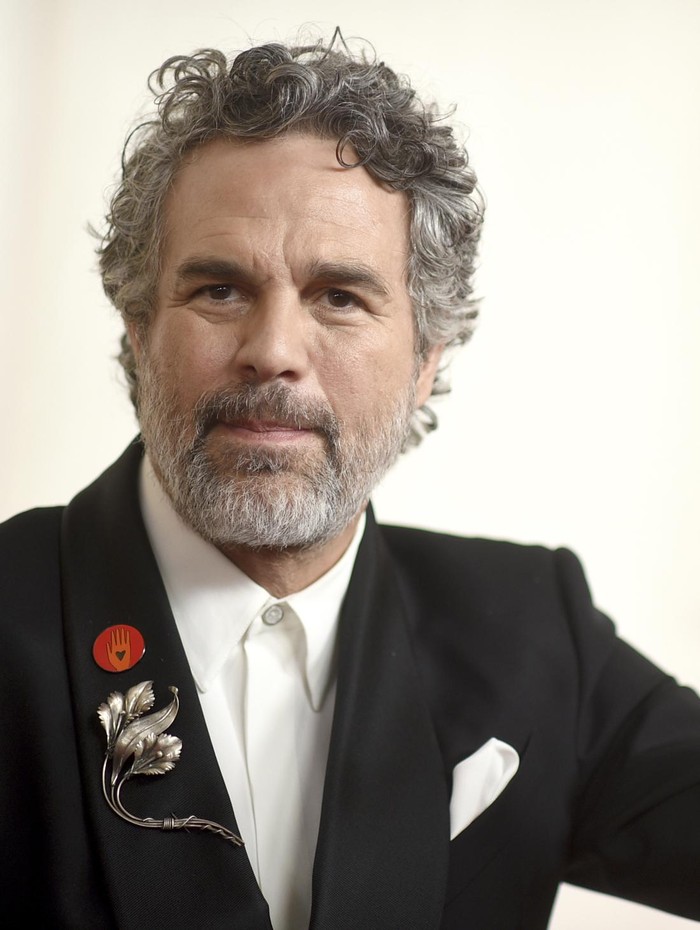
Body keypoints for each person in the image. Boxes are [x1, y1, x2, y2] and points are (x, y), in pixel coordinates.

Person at [1, 33, 698, 930]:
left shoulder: (534, 629)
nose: (275, 353)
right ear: (140, 334)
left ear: (423, 360)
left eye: (340, 296)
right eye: (219, 289)